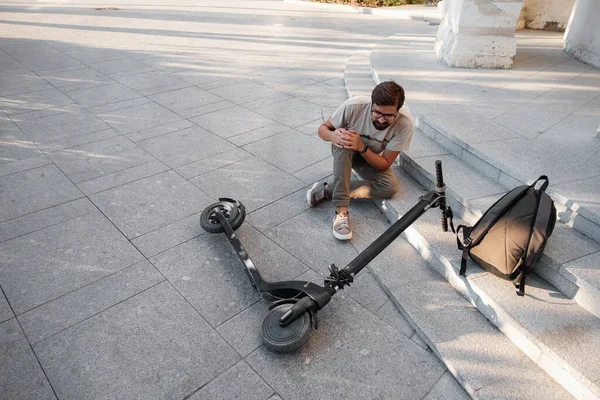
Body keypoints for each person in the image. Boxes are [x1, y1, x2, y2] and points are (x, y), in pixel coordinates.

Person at [307, 81, 414, 240]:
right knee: (346, 139)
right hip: (345, 150)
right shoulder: (354, 106)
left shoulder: (404, 124)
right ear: (372, 104)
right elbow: (322, 129)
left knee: (390, 186)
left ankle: (326, 190)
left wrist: (362, 147)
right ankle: (341, 212)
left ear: (397, 111)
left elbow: (384, 163)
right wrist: (332, 136)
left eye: (389, 115)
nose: (382, 120)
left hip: (369, 157)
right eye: (377, 112)